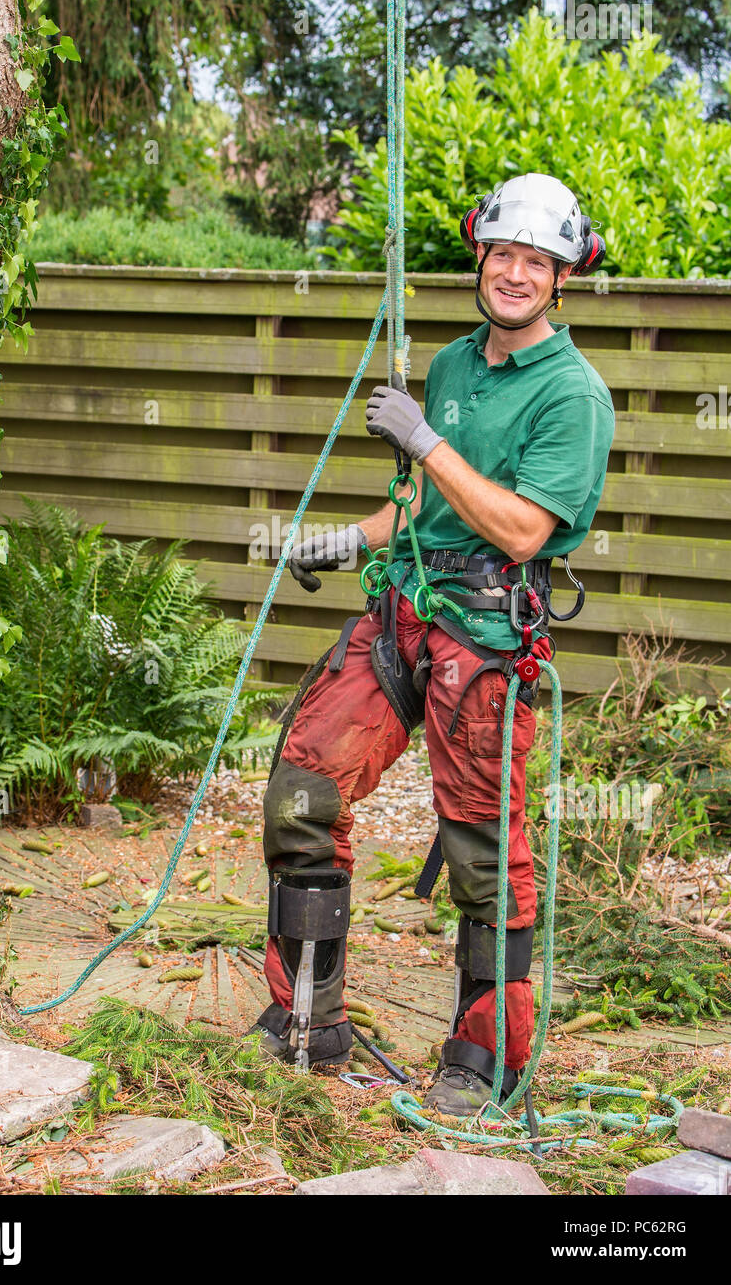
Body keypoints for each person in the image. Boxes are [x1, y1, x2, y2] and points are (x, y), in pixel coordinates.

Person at [251, 173, 615, 1115]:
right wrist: (354, 537)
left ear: (564, 276)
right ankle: (307, 1019)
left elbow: (524, 529)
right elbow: (423, 502)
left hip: (487, 637)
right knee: (302, 792)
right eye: (504, 254)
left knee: (483, 846)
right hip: (402, 615)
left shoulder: (574, 396)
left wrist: (423, 442)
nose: (516, 273)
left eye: (538, 261)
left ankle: (485, 1058)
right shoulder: (453, 366)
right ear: (481, 257)